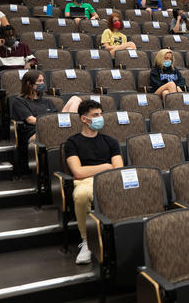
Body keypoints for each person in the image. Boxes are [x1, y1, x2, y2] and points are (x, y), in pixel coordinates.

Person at [65, 99, 124, 264]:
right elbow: (77, 172)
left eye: (100, 114)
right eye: (95, 115)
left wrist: (104, 169)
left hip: (109, 180)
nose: (100, 118)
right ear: (84, 119)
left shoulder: (111, 141)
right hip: (85, 182)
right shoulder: (72, 142)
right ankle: (86, 241)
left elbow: (118, 168)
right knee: (82, 195)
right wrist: (105, 166)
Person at [11, 70, 81, 142]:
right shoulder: (19, 101)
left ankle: (71, 128)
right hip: (35, 131)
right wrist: (51, 124)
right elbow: (30, 120)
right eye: (39, 81)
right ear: (29, 84)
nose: (42, 83)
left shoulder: (47, 101)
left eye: (43, 81)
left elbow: (55, 116)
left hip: (53, 127)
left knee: (75, 99)